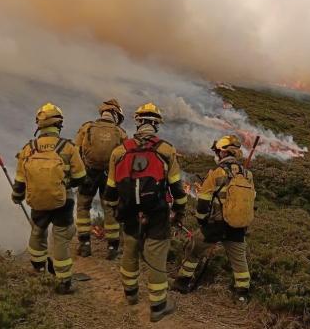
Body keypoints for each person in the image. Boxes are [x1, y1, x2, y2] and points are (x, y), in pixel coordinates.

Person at [104, 102, 187, 322]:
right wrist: (179, 212)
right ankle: (158, 307)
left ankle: (130, 295)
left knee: (130, 251)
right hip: (158, 212)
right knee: (156, 257)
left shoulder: (120, 151)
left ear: (138, 122)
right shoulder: (166, 150)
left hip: (130, 211)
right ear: (156, 124)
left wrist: (116, 209)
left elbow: (110, 190)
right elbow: (178, 189)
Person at [12, 103, 87, 294]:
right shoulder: (68, 147)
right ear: (59, 124)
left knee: (37, 232)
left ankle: (37, 270)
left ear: (39, 124)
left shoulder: (29, 148)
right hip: (63, 201)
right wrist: (64, 183)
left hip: (37, 199)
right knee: (61, 238)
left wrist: (17, 196)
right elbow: (80, 177)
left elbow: (20, 180)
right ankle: (64, 282)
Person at [172, 135, 253, 303]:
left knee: (193, 247)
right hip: (238, 225)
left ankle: (182, 282)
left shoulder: (217, 173)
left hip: (216, 225)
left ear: (224, 153)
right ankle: (242, 294)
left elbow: (203, 201)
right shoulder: (247, 174)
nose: (217, 154)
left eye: (218, 151)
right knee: (239, 261)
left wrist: (202, 221)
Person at [75, 99, 127, 260]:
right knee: (110, 209)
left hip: (88, 174)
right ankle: (112, 247)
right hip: (109, 177)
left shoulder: (87, 128)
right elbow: (125, 158)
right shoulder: (121, 133)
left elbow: (76, 152)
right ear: (116, 114)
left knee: (83, 207)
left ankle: (84, 245)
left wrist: (78, 174)